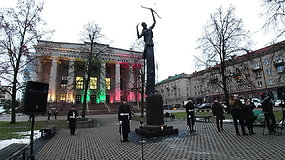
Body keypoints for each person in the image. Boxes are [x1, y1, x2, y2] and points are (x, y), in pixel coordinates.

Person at [136, 8, 156, 95]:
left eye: (144, 24)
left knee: (152, 67)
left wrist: (152, 12)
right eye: (143, 24)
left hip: (150, 46)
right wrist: (136, 28)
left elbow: (155, 22)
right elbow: (138, 36)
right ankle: (149, 90)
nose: (144, 25)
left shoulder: (149, 29)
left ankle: (151, 89)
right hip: (147, 47)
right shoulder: (144, 31)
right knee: (150, 67)